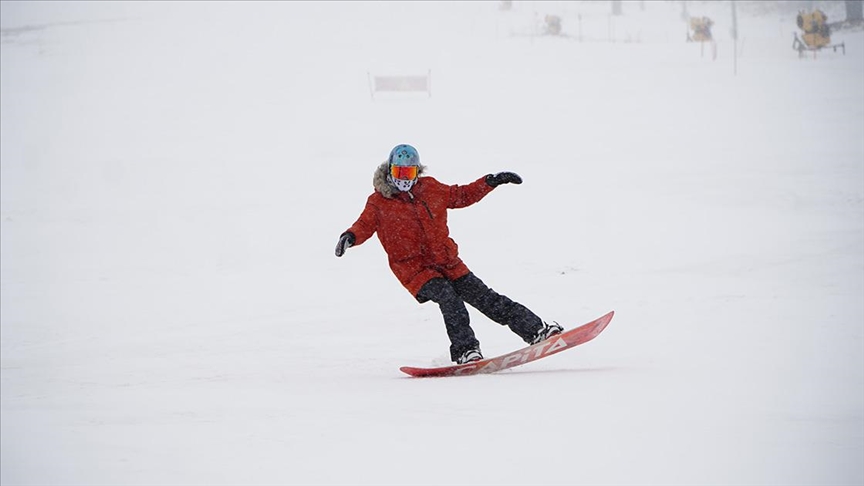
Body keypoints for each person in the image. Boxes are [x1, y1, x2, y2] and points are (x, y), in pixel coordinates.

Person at [335, 144, 562, 364]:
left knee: (487, 298)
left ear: (417, 171)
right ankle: (466, 351)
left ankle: (537, 331)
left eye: (409, 172)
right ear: (390, 170)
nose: (404, 177)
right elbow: (363, 225)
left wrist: (490, 182)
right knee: (449, 299)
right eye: (399, 171)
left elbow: (461, 195)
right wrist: (350, 237)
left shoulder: (430, 188)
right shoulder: (378, 202)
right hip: (415, 271)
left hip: (448, 263)